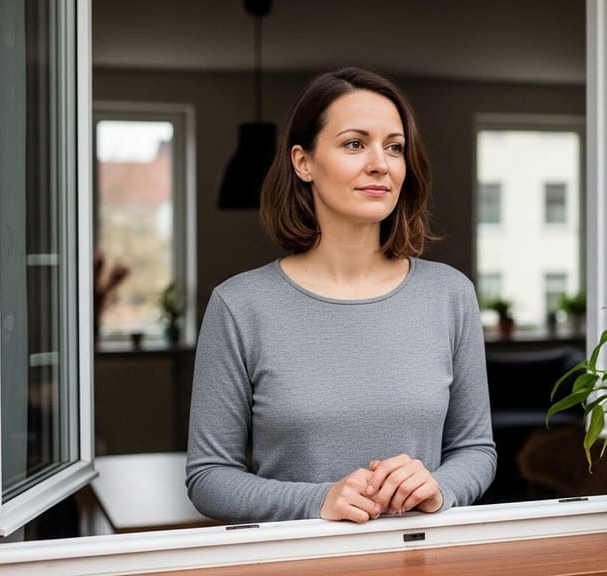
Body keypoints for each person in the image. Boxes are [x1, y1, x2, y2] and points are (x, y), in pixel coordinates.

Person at [186, 67, 497, 524]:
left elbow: (475, 450)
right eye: (355, 144)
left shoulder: (450, 294)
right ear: (303, 162)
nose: (381, 163)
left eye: (394, 147)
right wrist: (317, 500)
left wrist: (440, 487)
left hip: (422, 563)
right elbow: (209, 477)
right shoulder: (240, 306)